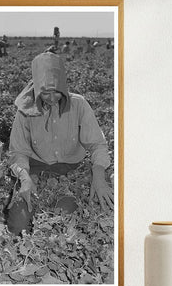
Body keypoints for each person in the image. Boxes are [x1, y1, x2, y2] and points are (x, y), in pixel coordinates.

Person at [8, 52, 113, 233]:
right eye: (45, 92)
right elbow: (18, 152)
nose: (51, 98)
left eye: (56, 92)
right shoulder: (25, 111)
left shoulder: (79, 105)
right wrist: (25, 179)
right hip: (34, 170)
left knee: (62, 219)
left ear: (64, 87)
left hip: (69, 172)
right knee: (18, 225)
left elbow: (97, 144)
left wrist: (98, 174)